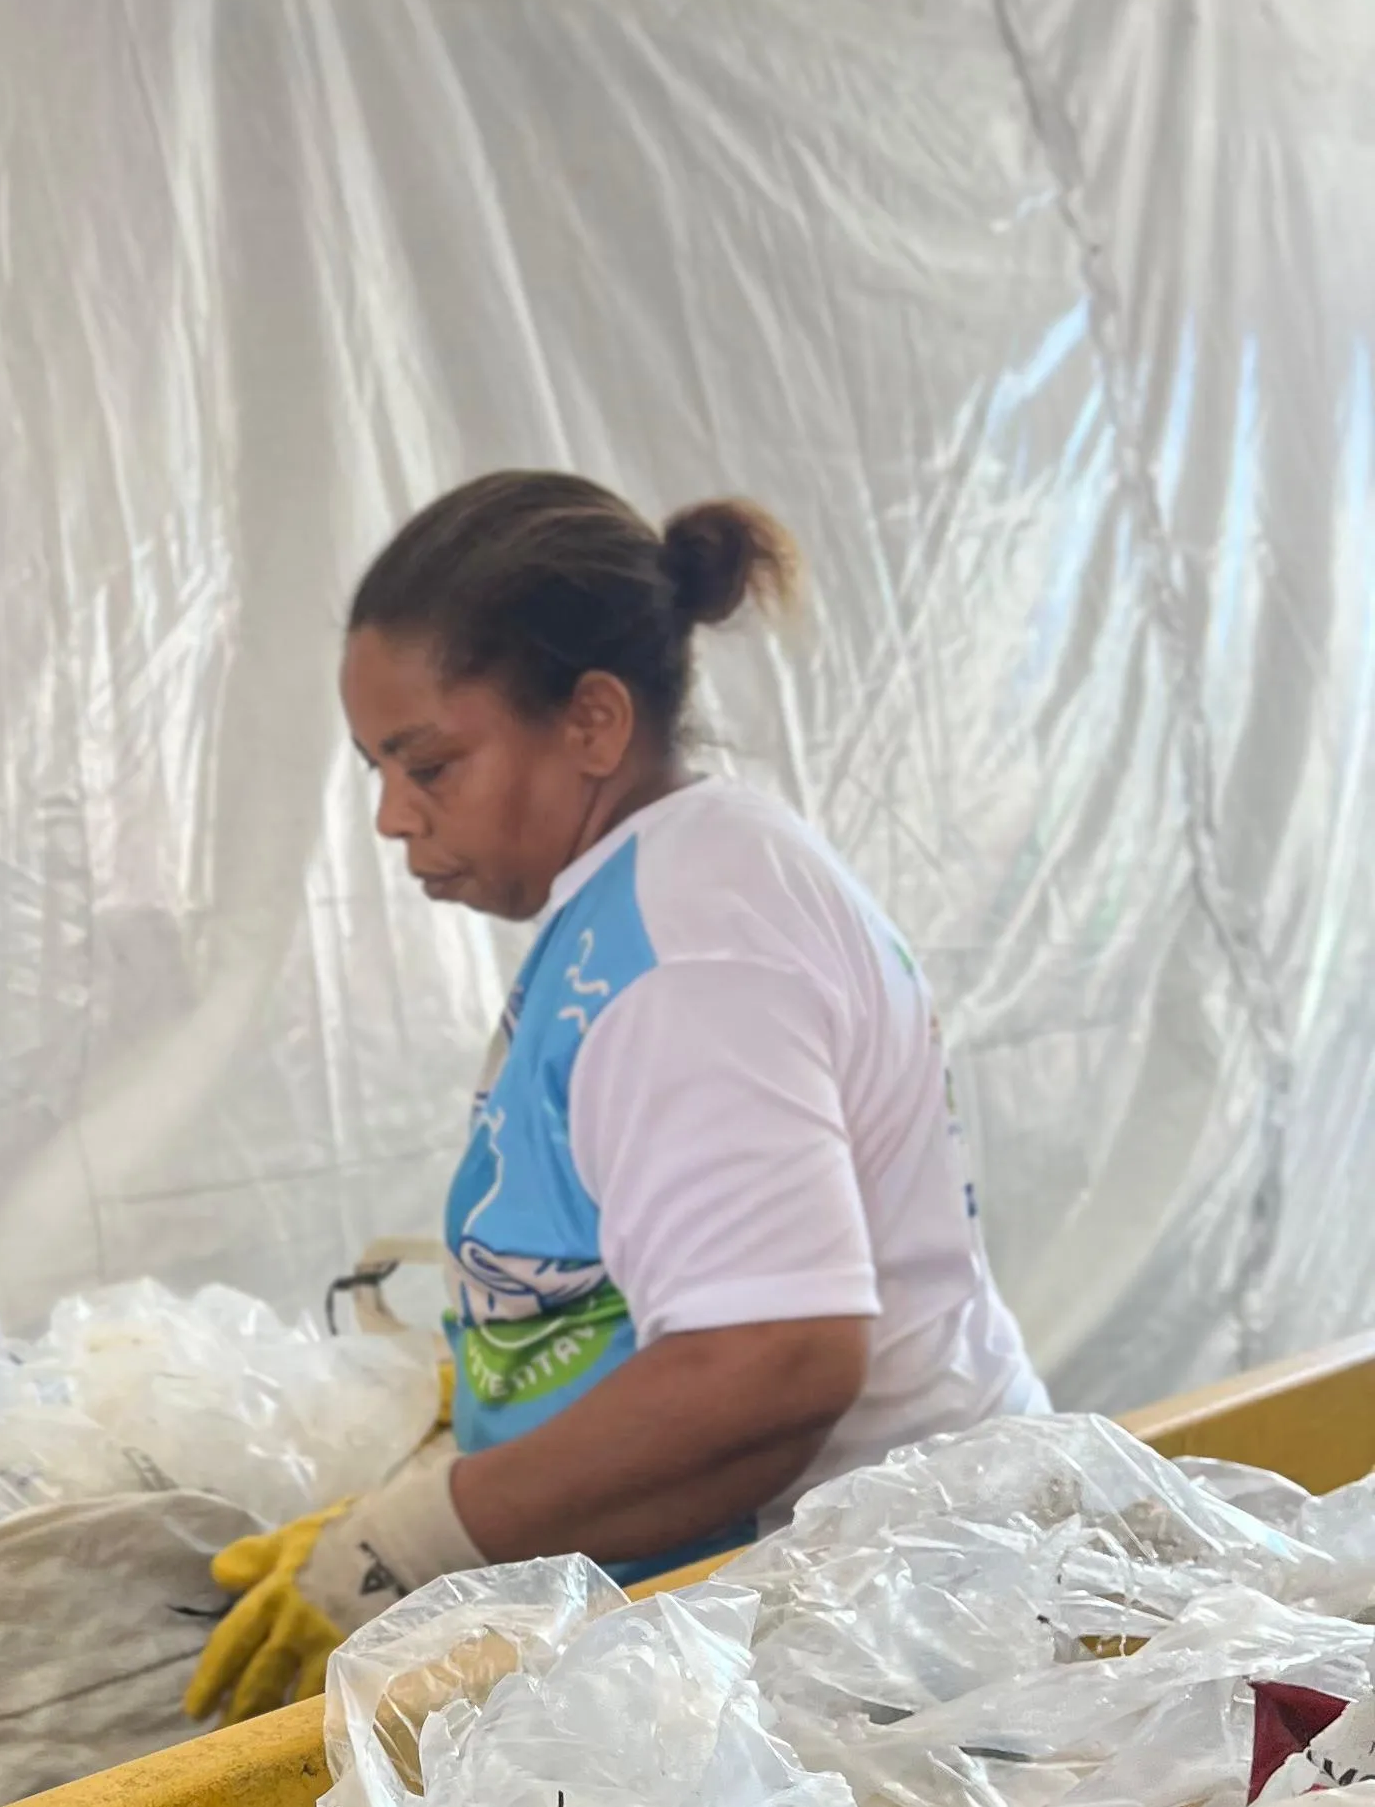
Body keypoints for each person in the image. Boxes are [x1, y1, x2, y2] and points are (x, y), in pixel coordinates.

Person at [191, 470, 1043, 1721]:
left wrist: (414, 1543)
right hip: (858, 1594)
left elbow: (773, 1362)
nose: (391, 817)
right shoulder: (672, 881)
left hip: (883, 1640)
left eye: (430, 764)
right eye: (380, 768)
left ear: (593, 721)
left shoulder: (689, 953)